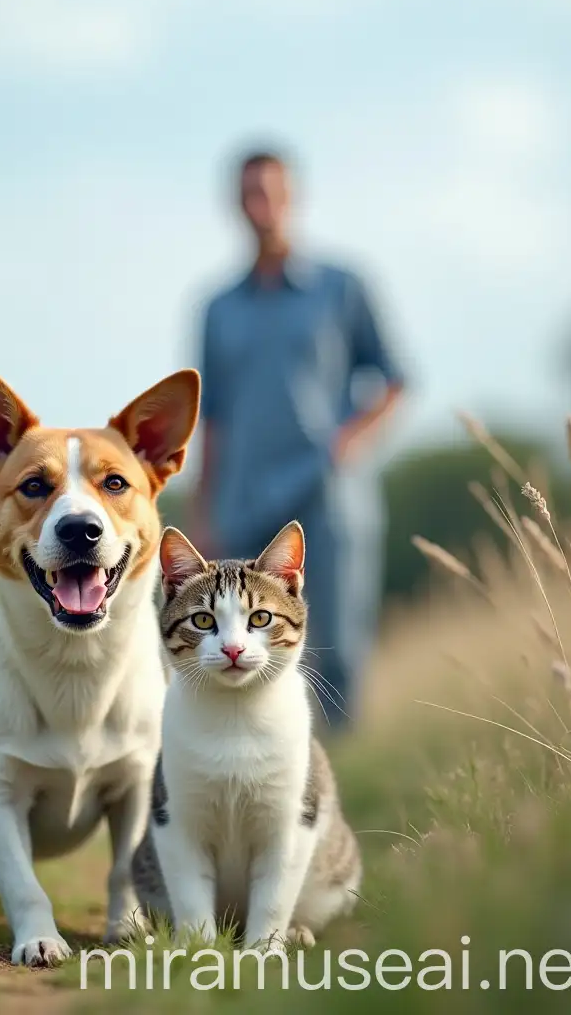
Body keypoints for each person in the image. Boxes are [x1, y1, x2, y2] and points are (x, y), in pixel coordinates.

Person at [191, 147, 406, 730]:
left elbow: (394, 379)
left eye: (272, 192)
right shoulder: (217, 308)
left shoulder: (341, 287)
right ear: (236, 205)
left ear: (293, 197)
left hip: (325, 495)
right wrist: (201, 510)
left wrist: (348, 442)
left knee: (334, 647)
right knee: (237, 641)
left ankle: (338, 791)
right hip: (243, 495)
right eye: (249, 194)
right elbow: (211, 417)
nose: (262, 205)